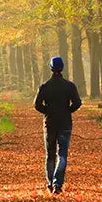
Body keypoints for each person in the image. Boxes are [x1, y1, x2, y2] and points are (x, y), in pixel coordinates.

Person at [33, 56, 82, 194]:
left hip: (49, 124)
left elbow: (37, 105)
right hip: (65, 123)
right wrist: (68, 111)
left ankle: (49, 183)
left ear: (50, 68)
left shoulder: (44, 87)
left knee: (50, 155)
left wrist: (47, 111)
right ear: (62, 68)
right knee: (62, 155)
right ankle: (57, 184)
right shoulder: (70, 86)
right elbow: (77, 103)